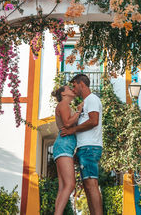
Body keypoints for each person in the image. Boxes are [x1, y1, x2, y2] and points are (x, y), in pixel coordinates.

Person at [61, 74, 103, 215]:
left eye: (74, 85)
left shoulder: (92, 99)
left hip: (90, 148)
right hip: (85, 148)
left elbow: (93, 121)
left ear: (81, 84)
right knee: (87, 186)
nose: (74, 89)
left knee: (91, 185)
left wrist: (73, 129)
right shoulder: (86, 102)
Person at [51, 86, 83, 215]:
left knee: (63, 187)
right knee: (70, 184)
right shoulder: (63, 104)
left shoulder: (65, 105)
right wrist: (79, 111)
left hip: (64, 147)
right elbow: (68, 123)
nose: (72, 90)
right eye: (69, 89)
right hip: (64, 146)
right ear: (63, 93)